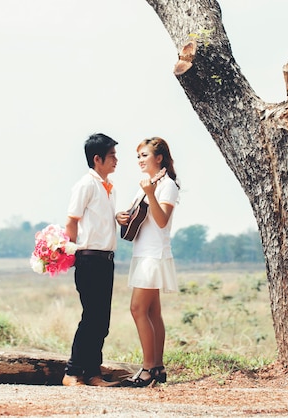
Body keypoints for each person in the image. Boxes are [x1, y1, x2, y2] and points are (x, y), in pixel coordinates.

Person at [62, 133, 126, 387]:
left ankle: (93, 373)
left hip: (105, 259)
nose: (116, 160)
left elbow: (100, 221)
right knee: (91, 318)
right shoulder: (86, 185)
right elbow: (72, 220)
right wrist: (72, 252)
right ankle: (72, 373)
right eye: (112, 156)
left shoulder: (108, 188)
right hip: (89, 258)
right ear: (97, 159)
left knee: (102, 320)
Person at [117, 136, 179, 388]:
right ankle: (158, 367)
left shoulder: (168, 185)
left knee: (138, 309)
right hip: (143, 252)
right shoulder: (147, 184)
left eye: (144, 155)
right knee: (152, 312)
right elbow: (138, 216)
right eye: (138, 156)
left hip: (154, 255)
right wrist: (121, 216)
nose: (140, 160)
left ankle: (147, 368)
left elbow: (162, 220)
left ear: (159, 158)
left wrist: (150, 194)